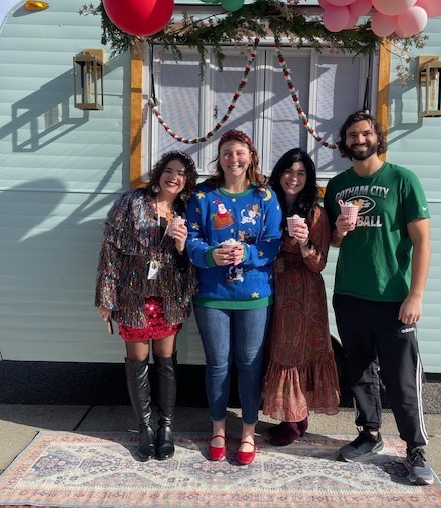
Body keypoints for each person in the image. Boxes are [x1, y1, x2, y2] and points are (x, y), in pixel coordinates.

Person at [323, 111, 434, 486]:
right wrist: (337, 231)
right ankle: (369, 434)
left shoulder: (402, 180)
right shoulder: (337, 185)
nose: (358, 139)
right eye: (352, 134)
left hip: (393, 298)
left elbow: (422, 242)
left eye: (365, 133)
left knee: (401, 378)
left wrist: (415, 294)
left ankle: (415, 449)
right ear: (345, 142)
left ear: (377, 137)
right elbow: (334, 242)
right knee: (360, 371)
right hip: (350, 295)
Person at [185, 129, 282, 465]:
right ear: (219, 158)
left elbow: (272, 242)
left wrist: (248, 253)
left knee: (250, 366)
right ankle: (218, 430)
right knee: (217, 365)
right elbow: (191, 241)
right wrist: (212, 256)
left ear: (251, 156)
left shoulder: (265, 197)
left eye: (240, 152)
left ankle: (249, 433)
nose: (234, 159)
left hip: (254, 294)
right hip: (212, 294)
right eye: (227, 153)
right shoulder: (203, 196)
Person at [95, 150, 198, 462]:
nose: (174, 176)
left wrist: (182, 244)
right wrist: (106, 297)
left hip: (169, 298)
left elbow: (192, 259)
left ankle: (165, 427)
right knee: (137, 362)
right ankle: (145, 429)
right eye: (169, 170)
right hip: (132, 297)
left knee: (166, 360)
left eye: (181, 173)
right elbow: (109, 249)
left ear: (187, 181)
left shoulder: (187, 210)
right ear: (159, 173)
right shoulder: (131, 202)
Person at [262, 148, 340, 446]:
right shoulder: (269, 205)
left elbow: (319, 263)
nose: (293, 178)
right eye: (288, 171)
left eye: (301, 173)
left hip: (303, 288)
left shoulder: (316, 213)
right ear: (279, 173)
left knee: (294, 351)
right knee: (276, 348)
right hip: (271, 284)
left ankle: (294, 420)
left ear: (308, 179)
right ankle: (293, 416)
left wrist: (305, 241)